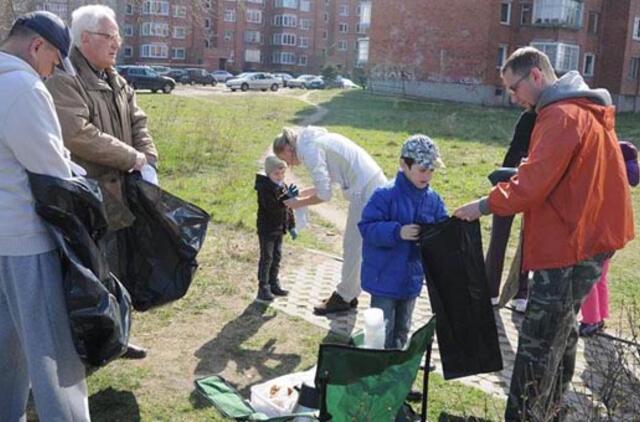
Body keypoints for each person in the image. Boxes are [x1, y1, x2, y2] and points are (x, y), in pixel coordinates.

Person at [454, 47, 634, 421]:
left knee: (537, 341)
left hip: (571, 245)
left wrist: (483, 205)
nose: (513, 97)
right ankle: (551, 409)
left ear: (536, 75)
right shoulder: (583, 111)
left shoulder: (561, 116)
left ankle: (524, 416)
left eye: (514, 87)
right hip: (588, 238)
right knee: (562, 329)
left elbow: (532, 186)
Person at [46, 4, 158, 359]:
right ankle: (85, 345)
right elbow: (77, 134)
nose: (117, 44)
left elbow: (139, 121)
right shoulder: (66, 78)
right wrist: (132, 158)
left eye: (118, 36)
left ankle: (117, 338)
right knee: (90, 275)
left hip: (119, 195)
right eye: (109, 37)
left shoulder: (116, 78)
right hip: (88, 199)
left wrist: (148, 158)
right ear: (84, 39)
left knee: (117, 269)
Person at [0, 11, 91, 421]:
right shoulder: (22, 86)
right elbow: (51, 168)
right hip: (26, 238)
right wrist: (75, 167)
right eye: (55, 60)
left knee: (8, 346)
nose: (53, 71)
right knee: (52, 348)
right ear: (38, 46)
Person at [273, 126, 387, 315]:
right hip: (372, 184)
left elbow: (325, 195)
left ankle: (344, 297)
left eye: (285, 160)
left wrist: (297, 203)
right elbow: (327, 183)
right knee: (356, 245)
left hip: (367, 191)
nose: (289, 164)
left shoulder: (309, 150)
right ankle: (350, 293)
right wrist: (302, 194)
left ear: (287, 149)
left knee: (353, 245)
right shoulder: (315, 141)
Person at [359, 135, 448, 349]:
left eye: (431, 170)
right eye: (422, 169)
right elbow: (367, 227)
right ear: (404, 165)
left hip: (410, 280)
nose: (427, 175)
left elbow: (442, 227)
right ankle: (378, 369)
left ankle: (397, 366)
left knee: (402, 328)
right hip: (384, 279)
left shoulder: (433, 200)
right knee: (381, 330)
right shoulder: (385, 195)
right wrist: (397, 232)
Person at [485, 110, 536, 312]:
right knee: (505, 237)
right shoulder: (536, 116)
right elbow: (515, 149)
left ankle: (516, 292)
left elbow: (514, 149)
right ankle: (498, 291)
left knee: (525, 237)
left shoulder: (544, 115)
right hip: (518, 180)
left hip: (526, 181)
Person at [254, 155, 297, 302]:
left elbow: (288, 208)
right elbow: (272, 207)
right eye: (276, 174)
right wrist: (286, 198)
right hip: (267, 229)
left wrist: (291, 226)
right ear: (268, 173)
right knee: (267, 258)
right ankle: (263, 287)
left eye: (282, 173)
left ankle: (273, 283)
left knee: (277, 257)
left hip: (279, 229)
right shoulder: (264, 189)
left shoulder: (282, 186)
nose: (280, 177)